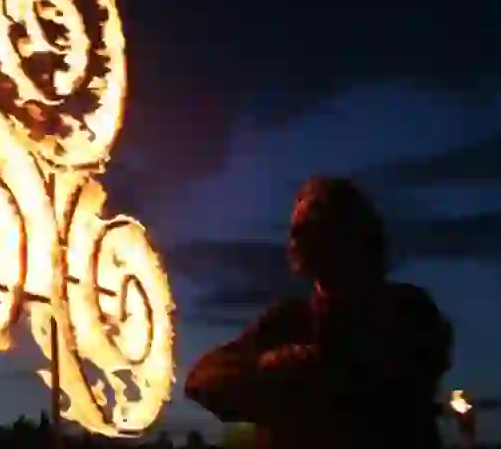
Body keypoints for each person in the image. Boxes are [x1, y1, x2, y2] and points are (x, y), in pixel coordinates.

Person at [184, 176, 453, 449]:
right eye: (293, 227)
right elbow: (202, 379)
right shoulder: (288, 318)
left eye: (309, 221)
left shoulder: (407, 310)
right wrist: (271, 371)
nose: (293, 236)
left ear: (350, 232)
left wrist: (293, 376)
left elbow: (381, 383)